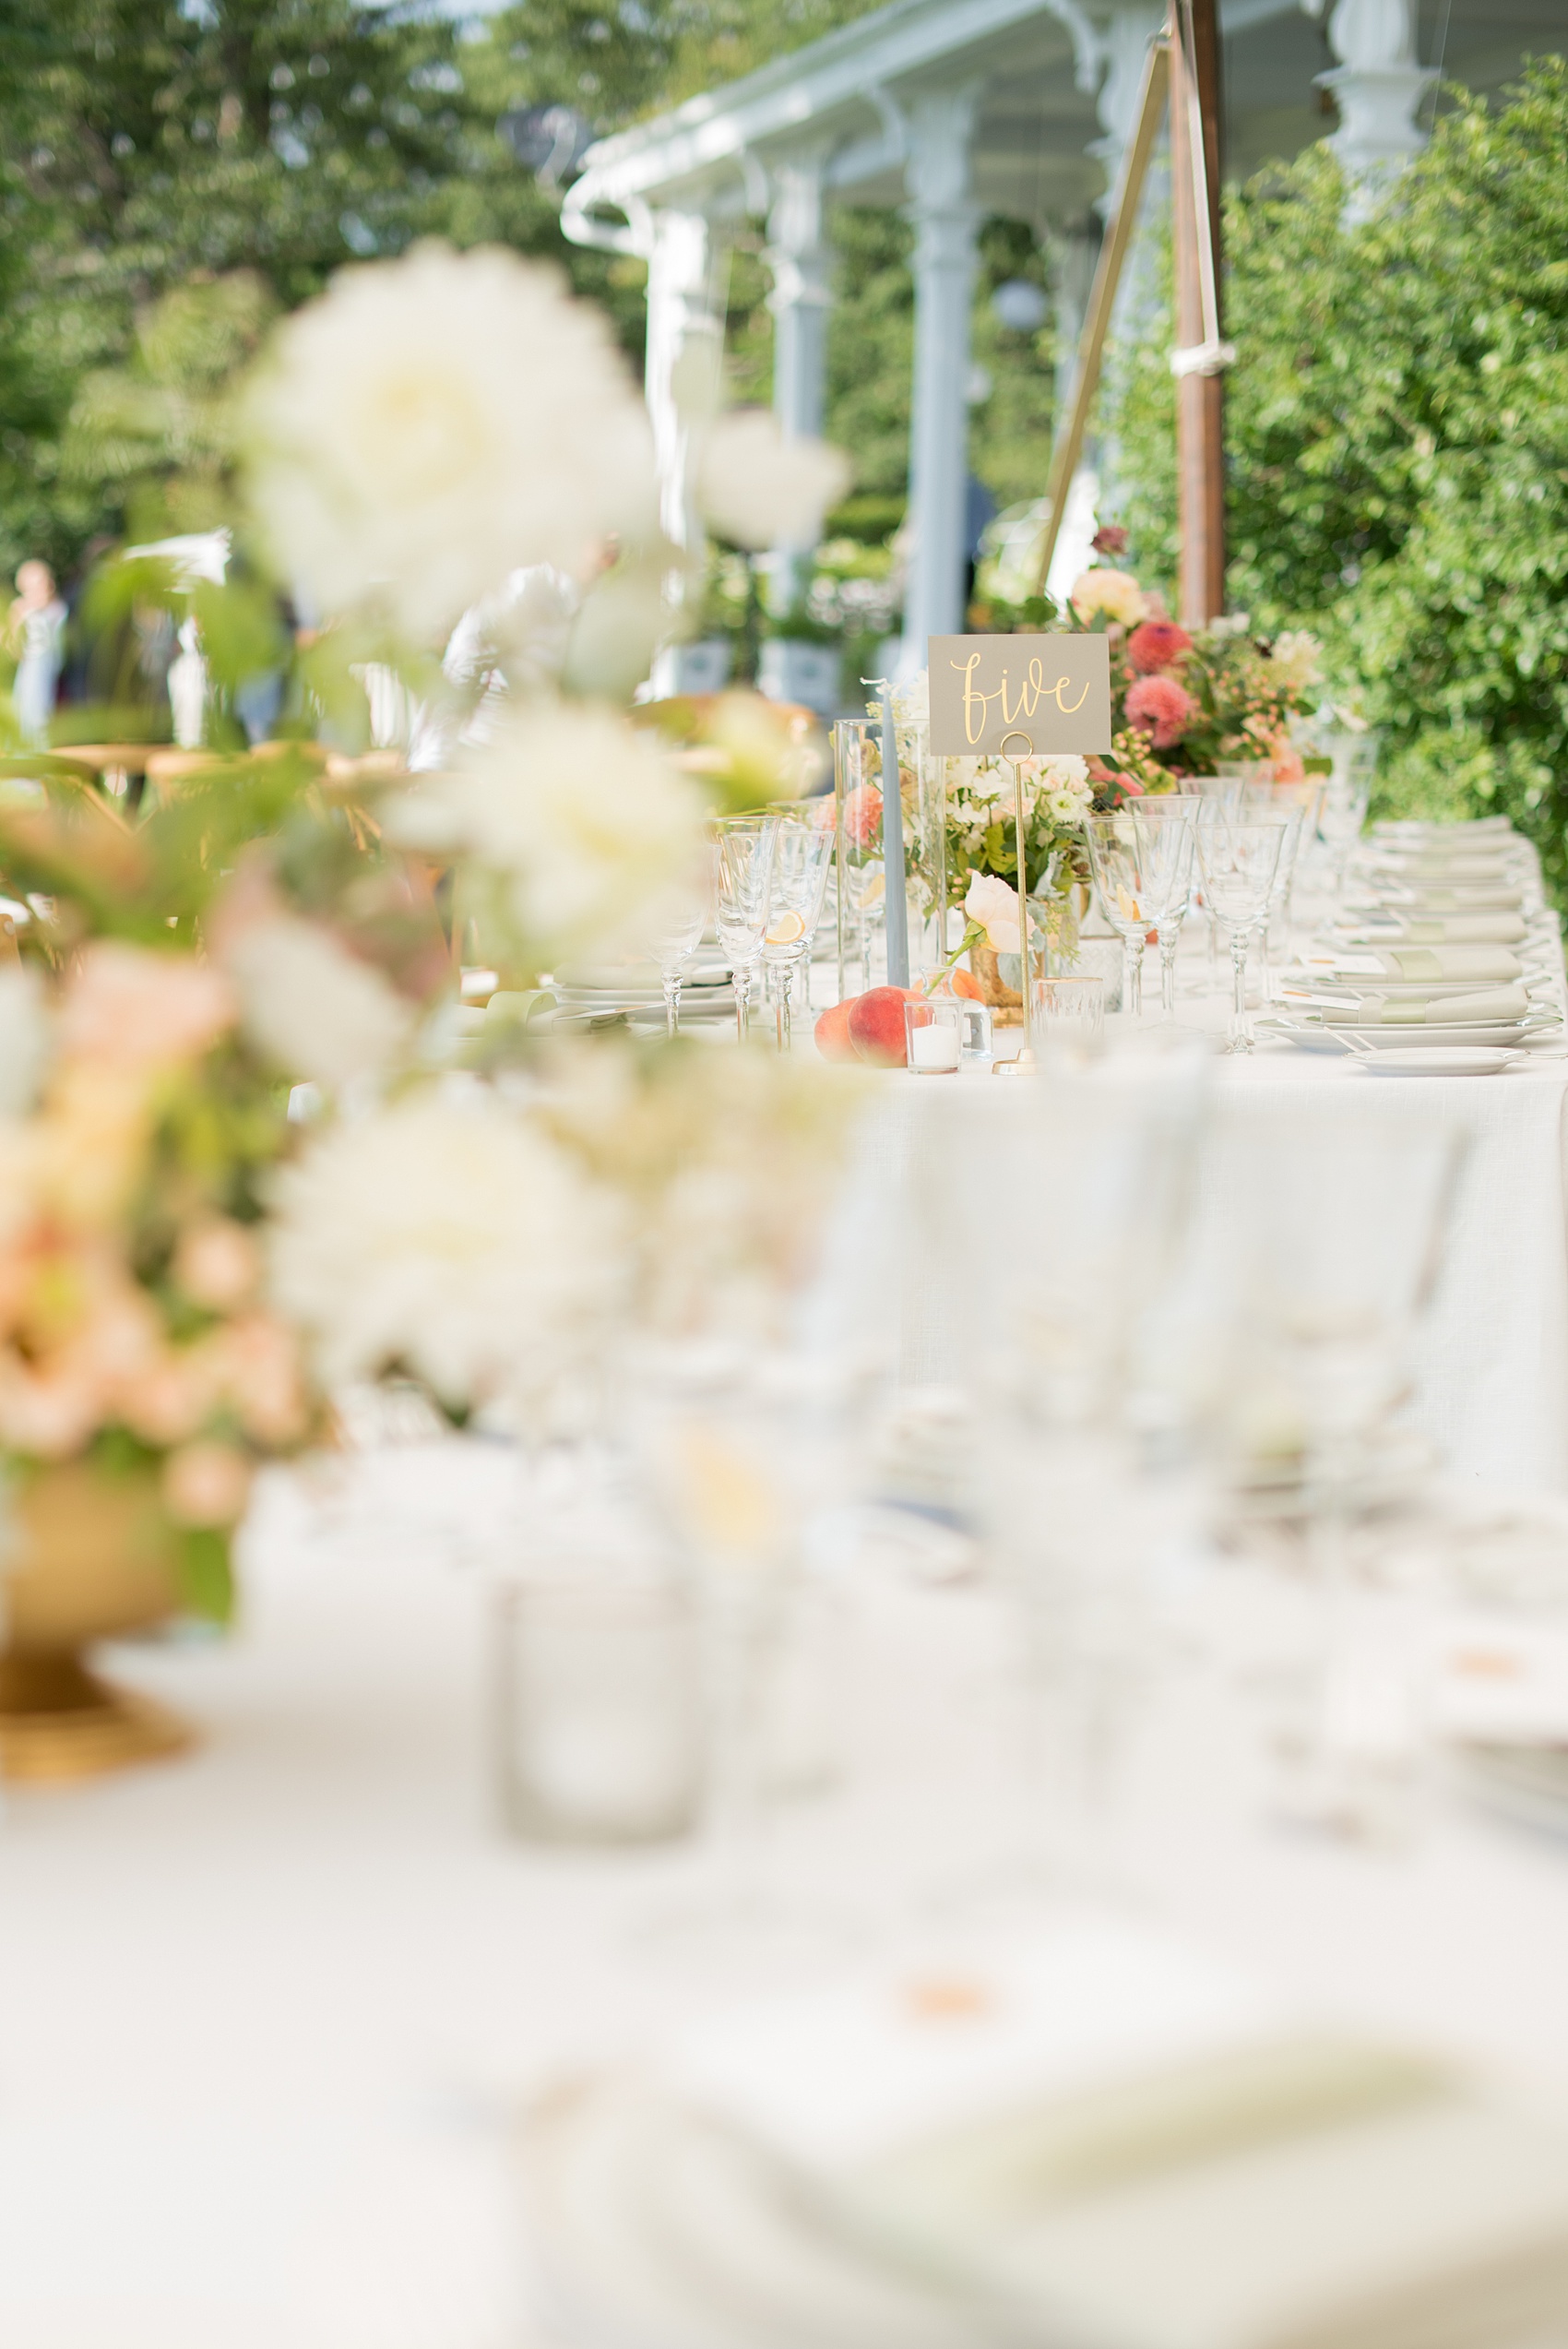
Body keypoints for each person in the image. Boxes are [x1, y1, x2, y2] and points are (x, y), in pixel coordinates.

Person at [6, 561, 67, 745]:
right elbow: (11, 640)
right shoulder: (19, 606)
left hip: (53, 665)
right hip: (32, 666)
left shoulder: (57, 605)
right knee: (29, 709)